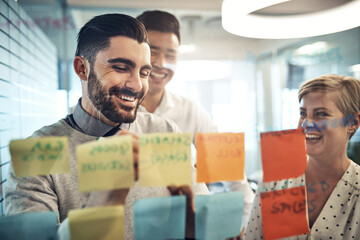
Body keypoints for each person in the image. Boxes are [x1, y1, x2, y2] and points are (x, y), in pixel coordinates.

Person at [4, 13, 209, 239]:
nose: (137, 85)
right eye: (121, 67)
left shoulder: (165, 132)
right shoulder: (37, 151)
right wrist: (102, 203)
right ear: (82, 68)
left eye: (144, 72)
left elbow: (203, 224)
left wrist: (195, 225)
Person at [136, 10, 255, 228]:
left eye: (170, 55)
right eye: (152, 52)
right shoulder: (115, 111)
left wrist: (245, 225)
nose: (161, 63)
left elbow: (232, 176)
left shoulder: (192, 111)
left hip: (180, 228)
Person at [244, 74, 360, 239]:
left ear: (352, 123)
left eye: (320, 114)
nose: (306, 123)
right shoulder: (276, 180)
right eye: (303, 113)